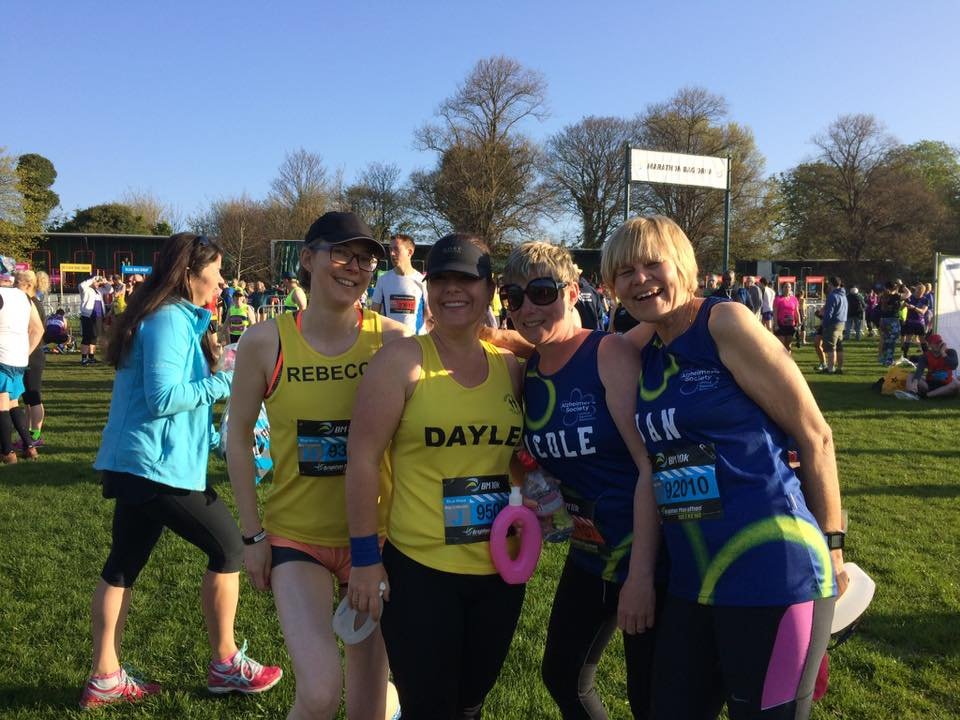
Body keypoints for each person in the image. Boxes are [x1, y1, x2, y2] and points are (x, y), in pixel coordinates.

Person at [602, 216, 847, 720]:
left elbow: (816, 435)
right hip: (695, 579)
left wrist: (835, 547)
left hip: (775, 571)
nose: (640, 279)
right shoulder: (650, 351)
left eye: (652, 264)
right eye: (625, 271)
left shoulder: (724, 323)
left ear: (683, 265)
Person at [83, 233, 282, 709]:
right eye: (216, 271)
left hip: (143, 462)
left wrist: (215, 439)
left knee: (123, 565)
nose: (222, 280)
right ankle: (225, 663)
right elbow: (163, 399)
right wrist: (228, 381)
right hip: (153, 467)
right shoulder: (169, 319)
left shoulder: (172, 318)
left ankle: (105, 676)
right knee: (230, 547)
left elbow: (170, 402)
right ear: (190, 274)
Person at [227, 212, 408, 720]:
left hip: (375, 542)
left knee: (369, 708)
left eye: (366, 259)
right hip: (297, 540)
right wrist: (252, 535)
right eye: (342, 253)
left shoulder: (393, 340)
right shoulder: (265, 341)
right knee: (321, 693)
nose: (354, 267)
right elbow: (238, 438)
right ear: (308, 258)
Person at [346, 233, 525, 720]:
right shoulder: (401, 362)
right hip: (421, 572)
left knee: (470, 704)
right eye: (441, 279)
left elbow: (517, 456)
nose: (452, 290)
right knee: (429, 708)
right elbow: (362, 459)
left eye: (465, 279)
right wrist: (365, 558)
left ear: (490, 290)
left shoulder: (510, 367)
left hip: (499, 571)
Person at [501, 241, 661, 719]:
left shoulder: (608, 353)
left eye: (542, 292)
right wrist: (533, 495)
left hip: (648, 554)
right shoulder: (528, 371)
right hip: (589, 554)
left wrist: (641, 577)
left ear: (572, 293)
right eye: (514, 297)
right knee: (563, 676)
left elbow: (650, 467)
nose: (527, 308)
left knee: (651, 699)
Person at [0, 279, 44, 463]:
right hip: (19, 358)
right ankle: (29, 446)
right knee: (12, 403)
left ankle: (7, 452)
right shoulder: (24, 297)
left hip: (2, 355)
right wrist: (25, 352)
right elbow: (38, 329)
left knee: (2, 404)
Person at [13, 270, 48, 448]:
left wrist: (25, 352)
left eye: (17, 282)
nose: (14, 285)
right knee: (27, 397)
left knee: (34, 396)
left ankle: (36, 435)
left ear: (27, 285)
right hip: (28, 353)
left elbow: (36, 330)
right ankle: (27, 435)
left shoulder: (31, 302)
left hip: (32, 354)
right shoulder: (27, 301)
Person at [371, 233, 431, 334]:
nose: (392, 253)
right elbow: (374, 314)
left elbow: (428, 314)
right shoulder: (383, 280)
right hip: (390, 340)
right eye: (390, 249)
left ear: (410, 252)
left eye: (396, 249)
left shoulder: (422, 281)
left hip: (416, 340)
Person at [904, 334, 959, 398]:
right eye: (936, 343)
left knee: (957, 384)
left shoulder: (950, 352)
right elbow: (920, 370)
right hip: (929, 384)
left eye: (940, 342)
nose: (938, 345)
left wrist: (943, 353)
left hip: (946, 385)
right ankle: (911, 392)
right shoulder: (925, 356)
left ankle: (927, 395)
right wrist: (915, 383)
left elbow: (954, 366)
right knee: (911, 375)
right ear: (930, 345)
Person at [79, 274, 110, 365]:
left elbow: (110, 290)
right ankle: (84, 358)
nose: (97, 284)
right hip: (88, 316)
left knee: (94, 337)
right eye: (96, 282)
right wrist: (93, 279)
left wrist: (105, 282)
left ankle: (91, 357)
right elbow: (81, 285)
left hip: (98, 316)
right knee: (86, 337)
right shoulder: (85, 289)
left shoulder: (99, 290)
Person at [819, 277, 847, 374]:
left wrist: (824, 324)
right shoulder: (844, 295)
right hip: (842, 323)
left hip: (833, 323)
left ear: (831, 284)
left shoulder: (832, 296)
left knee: (831, 347)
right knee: (839, 347)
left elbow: (829, 313)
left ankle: (830, 368)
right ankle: (840, 368)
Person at [878, 281, 909, 366]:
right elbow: (908, 293)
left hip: (883, 320)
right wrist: (902, 284)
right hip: (893, 321)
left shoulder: (883, 296)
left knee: (885, 340)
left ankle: (883, 359)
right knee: (891, 341)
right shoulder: (896, 296)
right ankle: (888, 360)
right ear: (894, 287)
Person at [901, 284, 930, 358]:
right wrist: (905, 305)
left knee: (922, 340)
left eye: (920, 292)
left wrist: (914, 308)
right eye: (917, 291)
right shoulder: (910, 298)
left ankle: (926, 356)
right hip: (910, 322)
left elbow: (923, 311)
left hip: (920, 323)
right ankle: (905, 356)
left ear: (923, 292)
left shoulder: (925, 300)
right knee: (908, 339)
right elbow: (901, 308)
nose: (918, 293)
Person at [773, 282, 801, 354]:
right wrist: (776, 325)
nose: (787, 288)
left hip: (791, 325)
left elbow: (796, 312)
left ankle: (788, 360)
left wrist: (799, 322)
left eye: (789, 287)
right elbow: (775, 313)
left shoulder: (794, 299)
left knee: (788, 346)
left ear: (791, 288)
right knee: (781, 345)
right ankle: (779, 360)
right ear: (782, 288)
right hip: (780, 325)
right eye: (785, 287)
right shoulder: (778, 299)